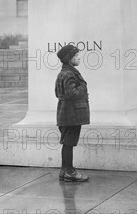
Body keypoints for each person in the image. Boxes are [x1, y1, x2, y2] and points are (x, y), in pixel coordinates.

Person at [55, 44, 90, 182]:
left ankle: (65, 171)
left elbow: (57, 93)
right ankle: (69, 171)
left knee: (67, 143)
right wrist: (82, 88)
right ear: (70, 59)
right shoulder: (69, 73)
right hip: (71, 115)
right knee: (69, 143)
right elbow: (71, 93)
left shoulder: (64, 73)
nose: (79, 58)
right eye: (76, 56)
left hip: (66, 114)